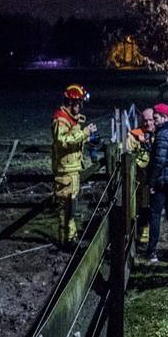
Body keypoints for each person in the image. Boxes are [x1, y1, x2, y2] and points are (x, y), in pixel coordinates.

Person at [51, 84, 96, 247]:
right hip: (64, 171)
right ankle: (65, 240)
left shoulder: (72, 119)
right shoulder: (60, 119)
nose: (81, 106)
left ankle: (71, 238)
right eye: (79, 103)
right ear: (71, 102)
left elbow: (73, 139)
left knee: (72, 206)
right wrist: (84, 133)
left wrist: (87, 138)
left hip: (73, 169)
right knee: (65, 207)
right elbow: (62, 141)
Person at [146, 103, 168, 262]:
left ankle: (152, 251)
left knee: (155, 215)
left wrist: (151, 182)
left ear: (164, 117)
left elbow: (159, 161)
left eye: (156, 118)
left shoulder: (162, 135)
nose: (154, 121)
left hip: (161, 183)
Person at [127, 107, 156, 245]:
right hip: (138, 180)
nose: (148, 123)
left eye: (150, 120)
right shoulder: (133, 135)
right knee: (139, 207)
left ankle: (148, 235)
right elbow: (127, 154)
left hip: (154, 181)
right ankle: (138, 234)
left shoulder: (160, 135)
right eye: (145, 120)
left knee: (151, 208)